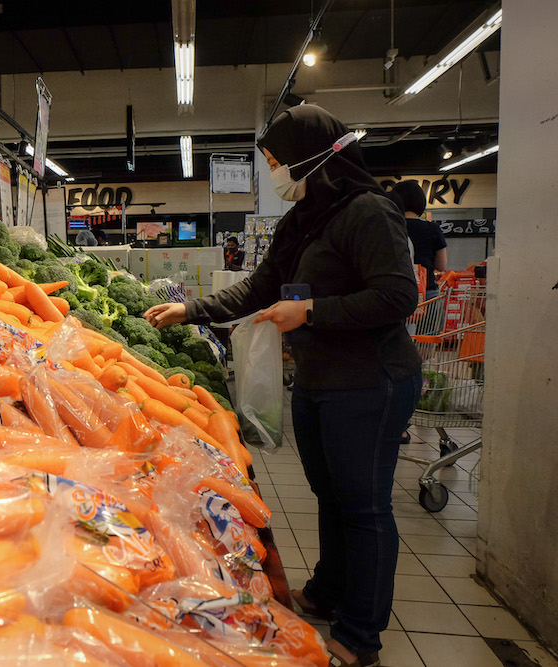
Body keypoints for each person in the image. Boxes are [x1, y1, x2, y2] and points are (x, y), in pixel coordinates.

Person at [145, 105, 421, 667]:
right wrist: (190, 310)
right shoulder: (304, 221)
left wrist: (312, 311)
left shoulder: (370, 212)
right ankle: (326, 590)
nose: (273, 173)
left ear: (309, 158)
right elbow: (259, 287)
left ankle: (361, 633)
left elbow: (398, 297)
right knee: (328, 494)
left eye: (276, 162)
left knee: (363, 506)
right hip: (320, 380)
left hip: (371, 381)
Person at [393, 180, 447, 311]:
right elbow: (441, 265)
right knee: (428, 331)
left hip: (397, 292)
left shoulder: (391, 227)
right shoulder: (432, 228)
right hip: (427, 291)